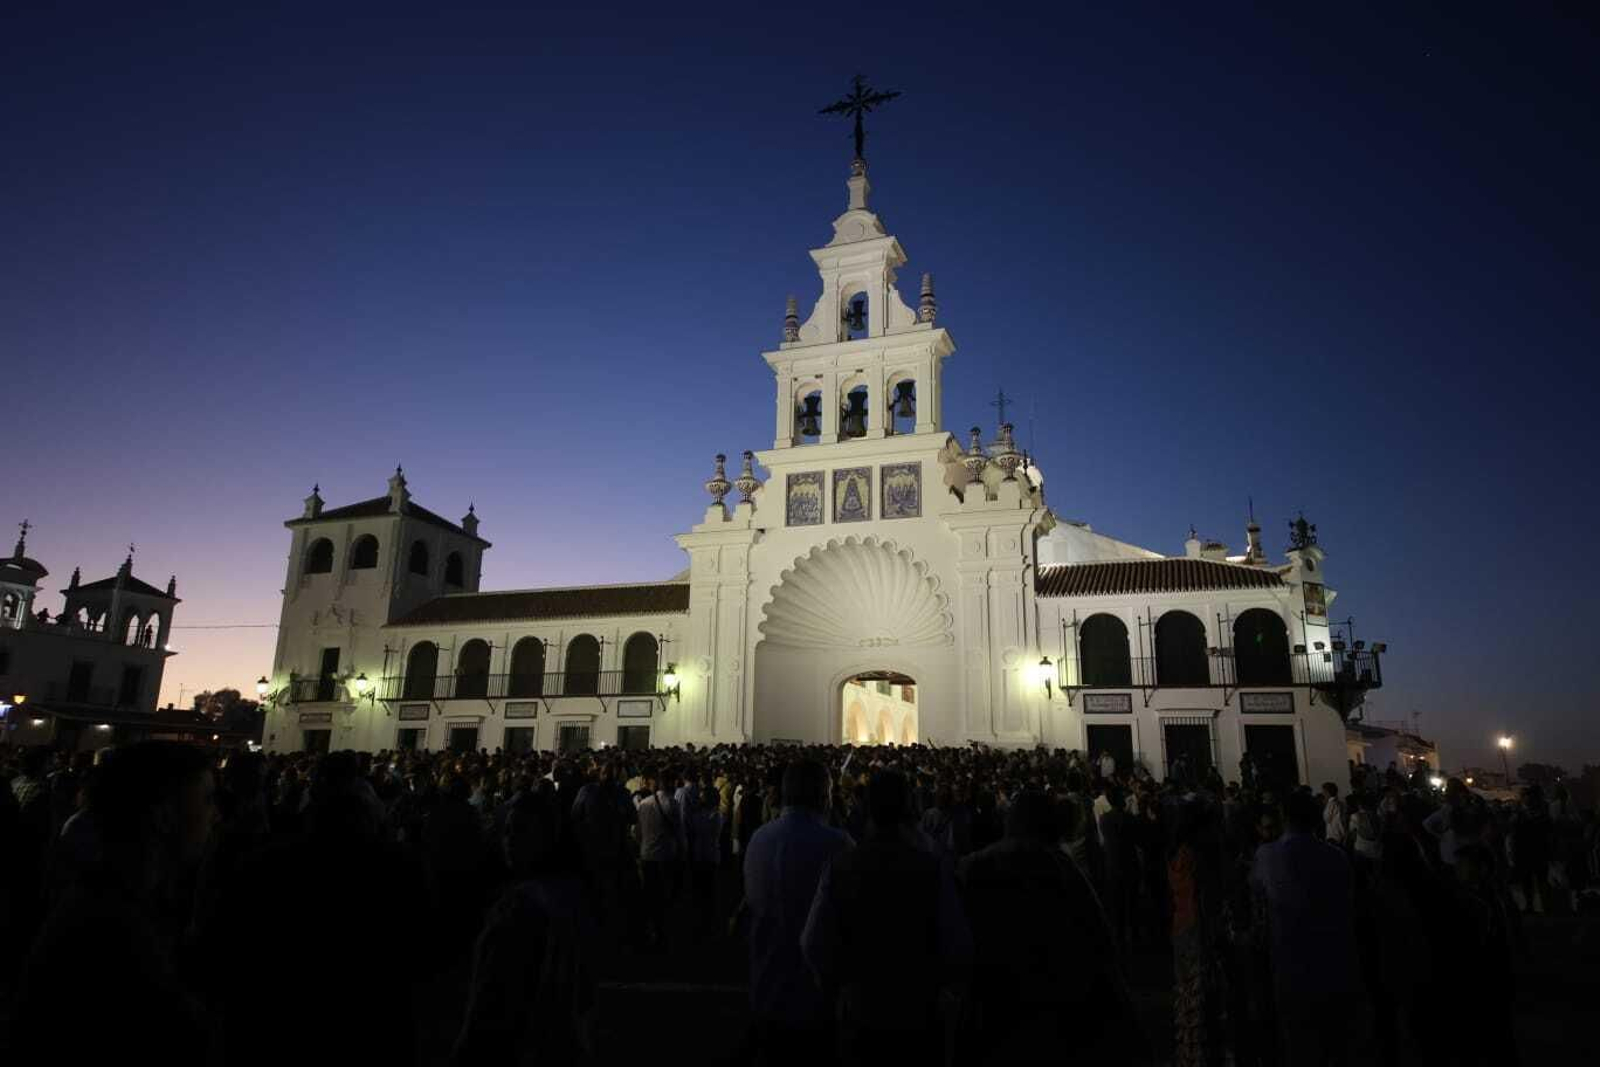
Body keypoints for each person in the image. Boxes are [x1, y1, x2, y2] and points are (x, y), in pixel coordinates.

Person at [8, 742, 217, 1063]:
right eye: (206, 800)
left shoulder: (107, 899)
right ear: (163, 811)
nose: (213, 815)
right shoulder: (116, 926)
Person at [802, 769, 972, 1065]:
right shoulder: (932, 868)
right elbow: (958, 947)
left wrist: (839, 988)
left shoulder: (842, 865)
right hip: (918, 1014)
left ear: (866, 809)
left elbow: (813, 943)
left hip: (859, 1013)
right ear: (910, 807)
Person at [959, 790, 1140, 1064]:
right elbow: (1098, 943)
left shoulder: (973, 866)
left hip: (992, 1003)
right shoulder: (1063, 869)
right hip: (1053, 1006)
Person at [454, 789, 598, 1064]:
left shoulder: (517, 906)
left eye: (520, 831)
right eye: (507, 830)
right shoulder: (570, 894)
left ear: (547, 836)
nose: (509, 840)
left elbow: (488, 1000)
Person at [741, 759, 854, 1067]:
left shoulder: (759, 838)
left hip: (765, 982)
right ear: (824, 795)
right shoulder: (837, 843)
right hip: (814, 994)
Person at [1250, 790, 1360, 1065]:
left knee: (1299, 1041)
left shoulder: (1267, 856)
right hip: (1334, 959)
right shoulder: (1337, 857)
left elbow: (1255, 893)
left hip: (1290, 959)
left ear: (1283, 818)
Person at [636, 765, 686, 948]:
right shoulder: (673, 804)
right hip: (666, 856)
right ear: (671, 783)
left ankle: (648, 930)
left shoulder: (644, 803)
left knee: (649, 895)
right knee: (664, 896)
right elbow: (680, 833)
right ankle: (661, 933)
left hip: (647, 855)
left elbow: (638, 832)